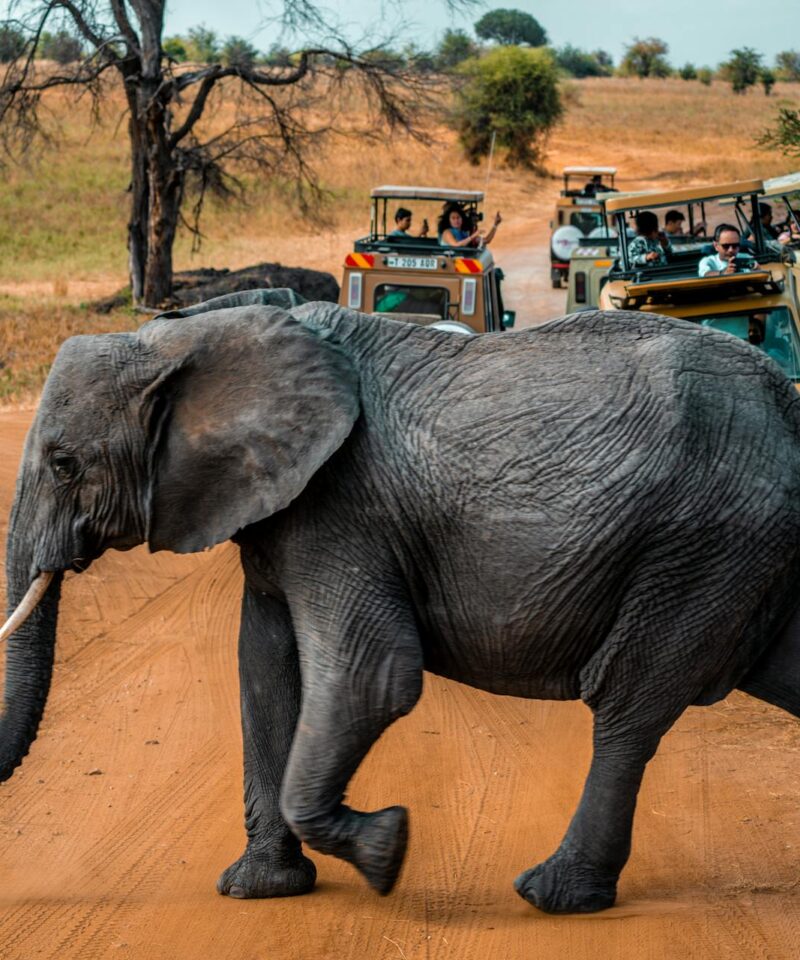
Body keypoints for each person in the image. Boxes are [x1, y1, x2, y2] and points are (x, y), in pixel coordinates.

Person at [438, 204, 502, 248]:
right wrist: (473, 236)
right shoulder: (447, 233)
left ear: (462, 219)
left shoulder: (464, 233)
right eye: (453, 218)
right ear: (449, 220)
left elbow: (486, 240)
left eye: (458, 218)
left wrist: (495, 225)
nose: (456, 221)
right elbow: (456, 245)